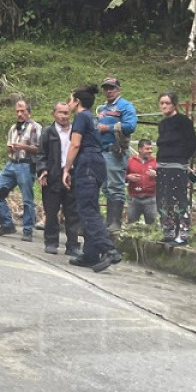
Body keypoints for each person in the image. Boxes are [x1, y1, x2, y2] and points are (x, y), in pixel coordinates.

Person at [63, 84, 120, 272]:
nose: (68, 104)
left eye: (70, 100)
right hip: (96, 163)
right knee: (90, 207)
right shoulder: (92, 118)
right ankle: (90, 254)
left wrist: (66, 169)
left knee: (87, 210)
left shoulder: (81, 117)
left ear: (77, 102)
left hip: (87, 164)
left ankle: (109, 250)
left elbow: (75, 145)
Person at [36, 101, 82, 256]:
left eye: (66, 113)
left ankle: (73, 245)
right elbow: (41, 154)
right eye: (60, 112)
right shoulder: (48, 132)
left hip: (71, 175)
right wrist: (42, 170)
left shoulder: (75, 131)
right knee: (51, 211)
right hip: (53, 175)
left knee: (72, 212)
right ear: (53, 114)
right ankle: (51, 242)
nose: (63, 116)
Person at [0, 99, 41, 239]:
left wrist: (23, 147)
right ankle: (7, 224)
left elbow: (40, 149)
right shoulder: (13, 128)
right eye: (17, 111)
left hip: (26, 164)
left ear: (29, 113)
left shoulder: (36, 127)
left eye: (22, 111)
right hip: (11, 163)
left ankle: (27, 231)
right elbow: (9, 146)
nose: (19, 114)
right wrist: (11, 148)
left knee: (27, 199)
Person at [155, 92, 196, 245]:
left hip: (177, 164)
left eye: (167, 103)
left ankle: (183, 234)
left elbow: (192, 142)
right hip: (162, 164)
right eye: (161, 103)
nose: (164, 106)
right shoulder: (162, 124)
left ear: (174, 104)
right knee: (163, 199)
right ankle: (168, 232)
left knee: (178, 199)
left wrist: (182, 158)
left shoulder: (183, 121)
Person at [96, 77, 137, 233]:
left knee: (115, 186)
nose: (108, 91)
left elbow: (130, 126)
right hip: (102, 151)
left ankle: (116, 222)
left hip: (115, 151)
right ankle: (108, 222)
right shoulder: (102, 108)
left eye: (112, 88)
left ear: (118, 89)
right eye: (106, 88)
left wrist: (107, 127)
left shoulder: (125, 106)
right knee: (106, 187)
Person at [126, 138, 158, 226]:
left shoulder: (156, 162)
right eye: (147, 149)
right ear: (140, 149)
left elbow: (164, 179)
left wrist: (156, 175)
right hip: (134, 199)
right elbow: (122, 177)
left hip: (151, 199)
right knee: (131, 224)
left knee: (153, 225)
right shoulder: (130, 161)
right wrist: (128, 177)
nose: (150, 151)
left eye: (151, 148)